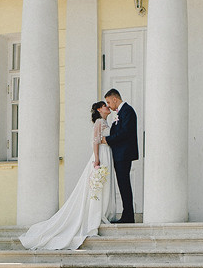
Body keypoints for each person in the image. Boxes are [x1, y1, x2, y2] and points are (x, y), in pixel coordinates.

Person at [20, 102, 118, 251]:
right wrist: (97, 159)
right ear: (99, 109)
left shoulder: (106, 122)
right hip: (101, 155)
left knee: (103, 185)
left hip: (107, 153)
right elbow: (95, 141)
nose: (108, 108)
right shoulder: (99, 122)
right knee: (96, 186)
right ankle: (94, 216)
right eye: (105, 106)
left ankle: (102, 213)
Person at [103, 88, 138, 223]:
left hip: (124, 154)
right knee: (122, 184)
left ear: (115, 99)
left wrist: (108, 140)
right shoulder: (121, 112)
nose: (108, 106)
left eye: (108, 102)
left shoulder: (127, 111)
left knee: (124, 184)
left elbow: (125, 133)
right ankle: (127, 214)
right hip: (120, 154)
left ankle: (128, 216)